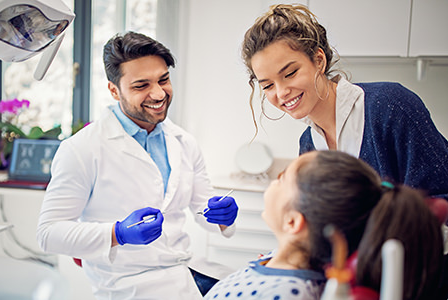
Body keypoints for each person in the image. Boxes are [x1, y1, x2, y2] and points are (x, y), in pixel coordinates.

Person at [36, 31, 239, 299]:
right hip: (126, 286)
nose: (158, 93)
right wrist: (117, 233)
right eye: (141, 85)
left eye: (163, 80)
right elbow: (49, 234)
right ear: (113, 90)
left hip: (186, 271)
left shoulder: (184, 142)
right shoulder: (81, 149)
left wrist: (222, 217)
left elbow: (204, 210)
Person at [240, 4, 448, 201]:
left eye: (291, 73)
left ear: (319, 60)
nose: (282, 92)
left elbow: (441, 198)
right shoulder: (308, 145)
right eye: (267, 86)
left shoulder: (390, 106)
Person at [204, 150, 444, 300]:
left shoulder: (289, 293)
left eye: (282, 179)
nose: (274, 183)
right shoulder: (276, 259)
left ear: (293, 221)